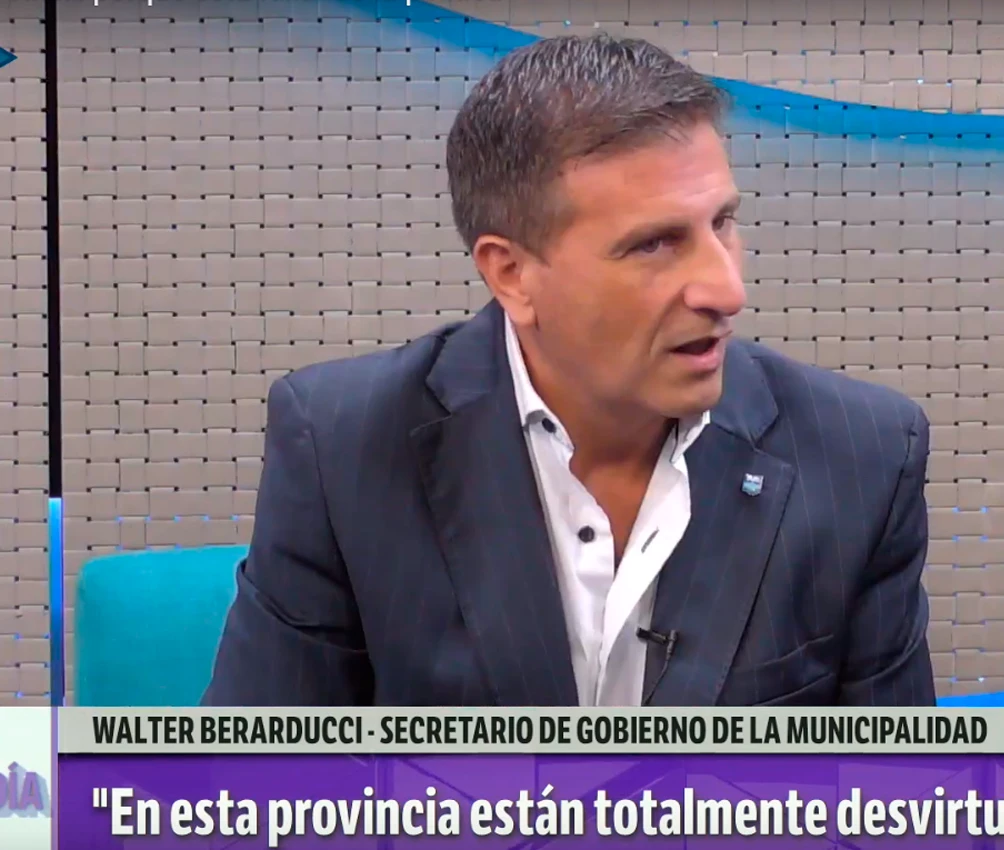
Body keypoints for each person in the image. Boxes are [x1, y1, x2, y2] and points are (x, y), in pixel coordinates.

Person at [203, 34, 935, 707]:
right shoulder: (344, 447)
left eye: (722, 223)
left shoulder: (864, 457)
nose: (726, 291)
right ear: (512, 273)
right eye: (654, 245)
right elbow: (255, 780)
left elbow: (898, 789)